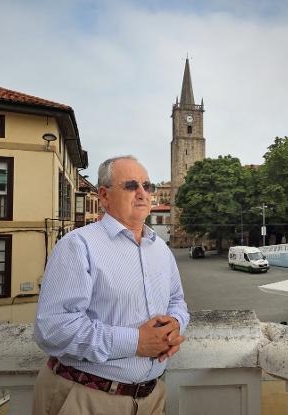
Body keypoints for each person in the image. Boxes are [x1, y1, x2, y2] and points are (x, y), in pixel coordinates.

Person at [32, 155, 189, 415]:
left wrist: (175, 324)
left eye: (147, 186)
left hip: (152, 399)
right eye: (130, 186)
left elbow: (177, 301)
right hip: (86, 398)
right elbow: (53, 329)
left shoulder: (161, 249)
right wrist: (135, 342)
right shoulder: (78, 246)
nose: (142, 193)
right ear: (104, 196)